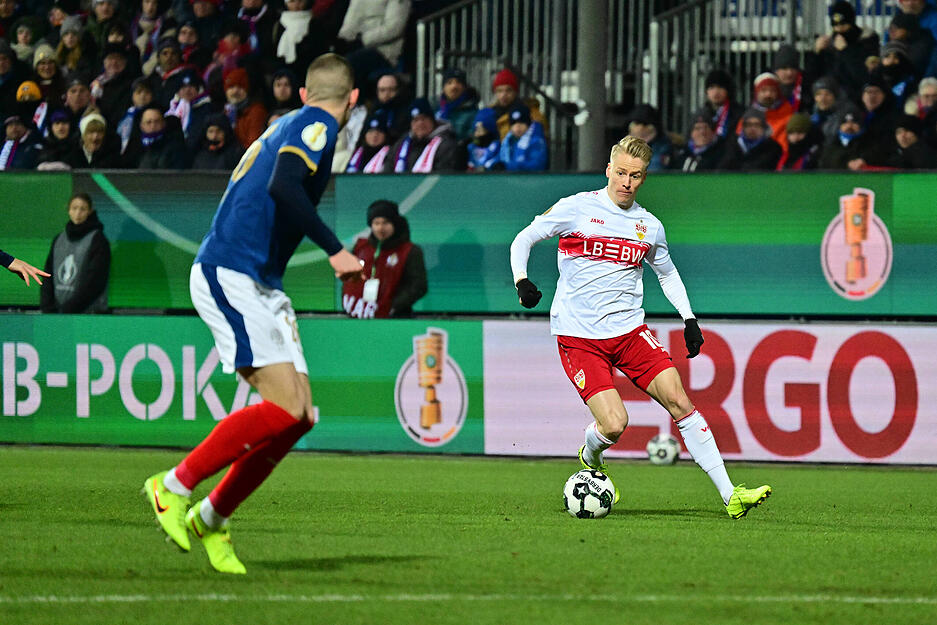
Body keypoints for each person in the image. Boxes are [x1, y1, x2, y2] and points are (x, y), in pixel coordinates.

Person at [142, 53, 366, 575]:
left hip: (259, 280)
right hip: (231, 271)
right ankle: (171, 486)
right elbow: (283, 185)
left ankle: (211, 518)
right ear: (353, 99)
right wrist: (335, 250)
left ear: (304, 91)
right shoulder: (315, 125)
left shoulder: (288, 122)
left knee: (300, 416)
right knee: (285, 408)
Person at [508, 135, 771, 519]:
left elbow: (668, 273)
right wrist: (521, 280)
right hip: (579, 337)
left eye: (635, 176)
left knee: (680, 400)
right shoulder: (577, 208)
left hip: (630, 332)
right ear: (608, 170)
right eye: (620, 173)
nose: (626, 182)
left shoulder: (649, 226)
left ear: (644, 178)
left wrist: (689, 318)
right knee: (615, 425)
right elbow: (524, 238)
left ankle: (731, 495)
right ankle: (591, 453)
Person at [342, 199, 427, 319]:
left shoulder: (410, 251)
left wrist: (392, 307)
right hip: (359, 315)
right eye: (376, 223)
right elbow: (349, 278)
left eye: (386, 223)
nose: (380, 228)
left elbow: (418, 286)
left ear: (395, 224)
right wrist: (349, 303)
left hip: (395, 318)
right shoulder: (360, 247)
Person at [39, 192, 110, 313]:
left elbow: (95, 281)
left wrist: (69, 309)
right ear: (68, 210)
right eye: (74, 208)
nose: (78, 213)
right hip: (57, 313)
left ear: (90, 212)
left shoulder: (98, 240)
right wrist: (47, 307)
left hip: (89, 314)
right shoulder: (59, 239)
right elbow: (47, 275)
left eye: (83, 209)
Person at [383, 97, 463, 173]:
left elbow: (443, 175)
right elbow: (388, 171)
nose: (420, 123)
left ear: (433, 121)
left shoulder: (446, 145)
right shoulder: (400, 145)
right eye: (416, 120)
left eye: (424, 118)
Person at [719, 108, 783, 171]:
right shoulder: (732, 144)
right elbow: (723, 166)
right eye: (748, 125)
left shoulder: (772, 147)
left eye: (757, 125)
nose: (752, 128)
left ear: (764, 127)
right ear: (743, 127)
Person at [498, 102, 548, 171]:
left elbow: (537, 165)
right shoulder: (508, 141)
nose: (517, 126)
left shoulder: (536, 141)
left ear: (529, 124)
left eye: (522, 122)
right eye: (514, 123)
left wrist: (508, 166)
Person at [466, 107, 501, 171]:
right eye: (475, 130)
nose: (477, 134)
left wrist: (487, 167)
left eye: (480, 130)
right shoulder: (471, 147)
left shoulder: (496, 146)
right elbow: (471, 162)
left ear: (489, 131)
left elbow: (497, 159)